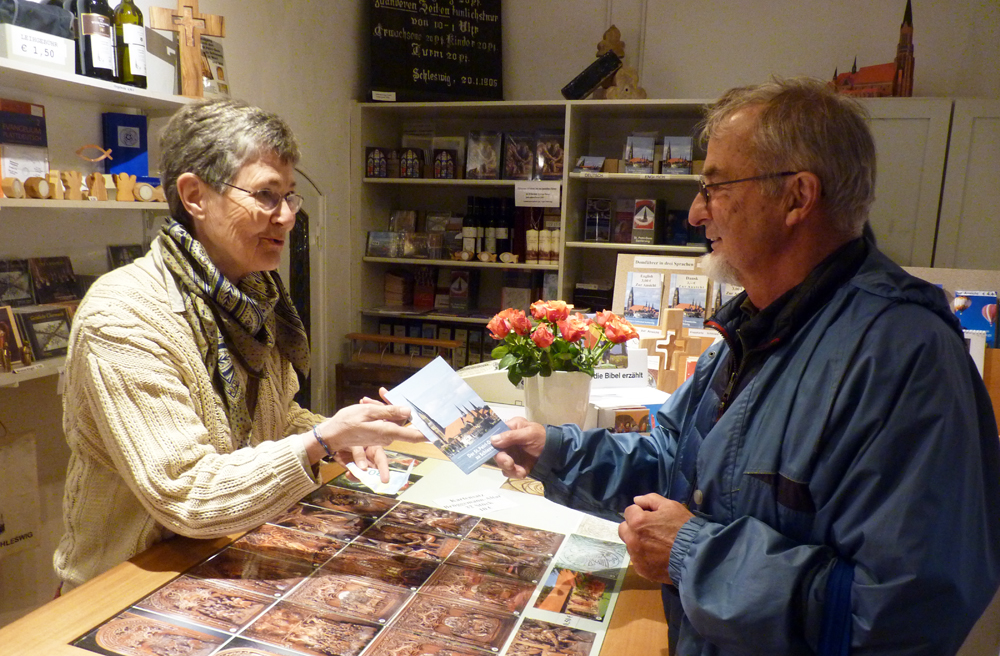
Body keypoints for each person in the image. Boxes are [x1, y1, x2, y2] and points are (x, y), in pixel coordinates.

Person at [491, 77, 1000, 655]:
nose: (695, 212)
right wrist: (552, 449)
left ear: (797, 197)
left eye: (715, 187)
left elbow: (907, 617)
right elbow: (675, 463)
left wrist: (691, 554)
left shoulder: (906, 357)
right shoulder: (755, 324)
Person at [54, 98, 424, 592]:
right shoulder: (123, 315)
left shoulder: (253, 296)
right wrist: (321, 440)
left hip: (222, 560)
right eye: (266, 195)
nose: (286, 217)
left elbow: (274, 421)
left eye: (289, 196)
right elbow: (187, 495)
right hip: (124, 586)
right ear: (195, 196)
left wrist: (339, 436)